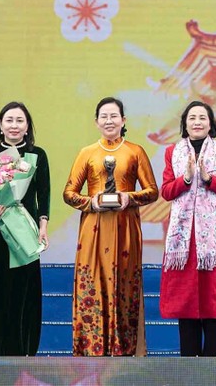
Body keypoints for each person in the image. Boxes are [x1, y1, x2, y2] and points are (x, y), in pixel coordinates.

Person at [63, 96, 158, 356]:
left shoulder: (135, 151)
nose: (109, 121)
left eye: (114, 116)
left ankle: (125, 350)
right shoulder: (87, 153)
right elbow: (69, 193)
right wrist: (90, 202)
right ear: (96, 122)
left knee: (124, 284)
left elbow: (152, 192)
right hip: (94, 228)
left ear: (123, 120)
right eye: (103, 116)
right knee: (93, 283)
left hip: (125, 227)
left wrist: (131, 197)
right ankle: (91, 351)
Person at [159, 100, 216, 357]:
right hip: (184, 239)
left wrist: (209, 179)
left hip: (215, 238)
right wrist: (185, 179)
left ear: (211, 124)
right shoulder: (172, 151)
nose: (197, 122)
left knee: (214, 299)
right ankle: (188, 366)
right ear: (185, 123)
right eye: (192, 118)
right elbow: (165, 191)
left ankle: (214, 365)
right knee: (186, 299)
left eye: (202, 118)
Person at [0, 102, 50, 356]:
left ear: (27, 127)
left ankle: (23, 349)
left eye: (20, 120)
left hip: (26, 231)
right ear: (0, 125)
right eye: (9, 120)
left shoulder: (38, 154)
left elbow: (44, 193)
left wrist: (43, 226)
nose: (14, 125)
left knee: (24, 290)